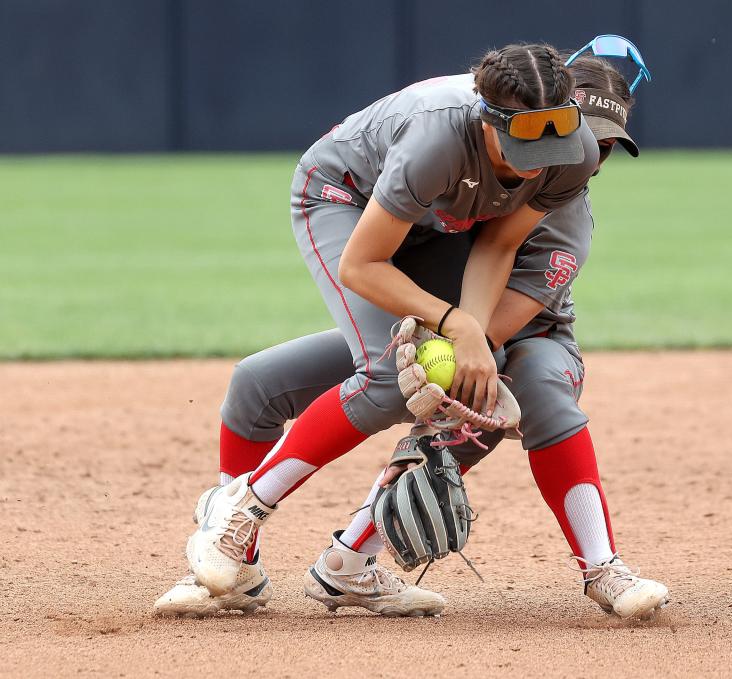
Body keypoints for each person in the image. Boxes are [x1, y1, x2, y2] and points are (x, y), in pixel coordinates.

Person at [157, 38, 668, 621]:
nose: (565, 156)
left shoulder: (564, 176)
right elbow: (367, 264)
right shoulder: (440, 142)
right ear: (494, 119)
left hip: (515, 332)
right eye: (541, 139)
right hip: (358, 213)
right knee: (283, 383)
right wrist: (456, 329)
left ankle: (353, 558)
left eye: (595, 142)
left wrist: (464, 338)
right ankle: (235, 534)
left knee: (496, 391)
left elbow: (497, 279)